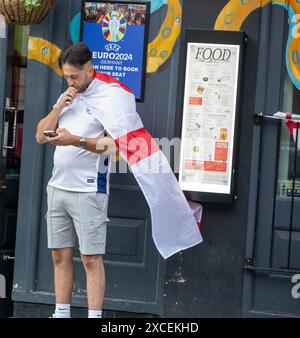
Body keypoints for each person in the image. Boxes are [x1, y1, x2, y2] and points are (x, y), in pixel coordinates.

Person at [36, 43, 118, 318]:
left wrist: (76, 140)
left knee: (90, 258)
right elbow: (40, 135)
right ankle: (62, 313)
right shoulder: (66, 96)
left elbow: (113, 147)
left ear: (90, 68)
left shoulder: (109, 97)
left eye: (75, 76)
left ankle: (95, 316)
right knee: (59, 255)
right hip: (57, 187)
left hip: (89, 190)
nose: (70, 81)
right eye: (66, 76)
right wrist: (59, 106)